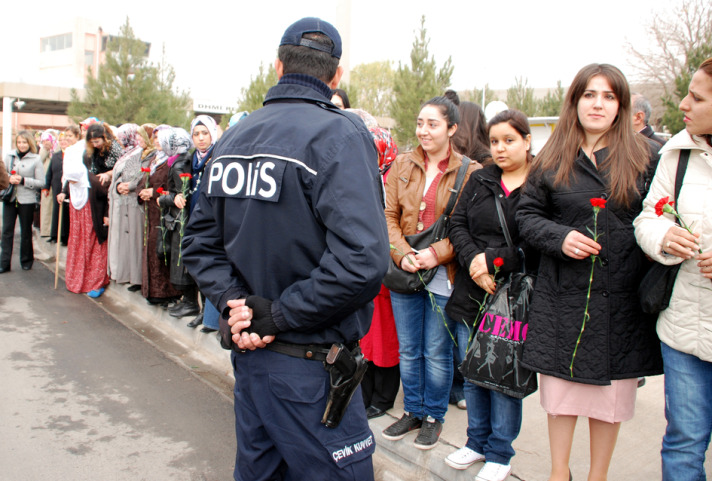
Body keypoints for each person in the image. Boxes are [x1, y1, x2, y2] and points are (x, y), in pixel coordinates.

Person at [182, 17, 389, 481]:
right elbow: (365, 261)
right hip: (309, 368)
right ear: (335, 76)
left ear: (277, 67)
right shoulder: (341, 136)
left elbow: (197, 243)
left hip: (258, 361)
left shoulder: (232, 138)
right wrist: (267, 314)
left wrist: (240, 307)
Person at [516, 63, 664, 481]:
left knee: (609, 400)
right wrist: (559, 237)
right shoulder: (552, 156)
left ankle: (598, 476)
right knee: (561, 396)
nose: (598, 104)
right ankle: (558, 473)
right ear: (575, 101)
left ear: (622, 105)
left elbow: (660, 217)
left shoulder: (645, 157)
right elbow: (526, 217)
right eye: (589, 95)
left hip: (620, 298)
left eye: (609, 96)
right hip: (564, 296)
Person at [382, 96, 480, 449]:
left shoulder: (471, 172)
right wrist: (404, 254)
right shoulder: (401, 164)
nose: (424, 131)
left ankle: (434, 416)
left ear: (452, 129)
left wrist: (435, 255)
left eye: (433, 124)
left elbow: (469, 228)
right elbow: (388, 216)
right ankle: (413, 411)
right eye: (420, 123)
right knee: (409, 349)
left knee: (436, 350)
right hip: (405, 270)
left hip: (443, 273)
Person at [444, 109, 536, 481]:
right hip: (474, 288)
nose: (500, 149)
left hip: (514, 295)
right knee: (474, 371)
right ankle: (476, 442)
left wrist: (494, 260)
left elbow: (538, 240)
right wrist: (474, 263)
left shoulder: (541, 184)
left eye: (509, 140)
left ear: (528, 141)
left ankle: (500, 451)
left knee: (504, 374)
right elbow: (457, 223)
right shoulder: (481, 179)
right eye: (495, 141)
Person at [633, 56, 712, 481]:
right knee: (683, 444)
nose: (683, 103)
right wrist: (662, 236)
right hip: (683, 328)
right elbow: (647, 216)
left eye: (696, 97)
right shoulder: (677, 152)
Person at [360, 126, 400, 420]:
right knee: (366, 336)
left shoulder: (394, 178)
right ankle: (364, 391)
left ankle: (383, 397)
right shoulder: (359, 175)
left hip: (387, 267)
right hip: (361, 266)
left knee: (385, 336)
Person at [157, 127, 199, 319]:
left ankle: (190, 303)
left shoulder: (180, 163)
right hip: (180, 218)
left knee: (181, 262)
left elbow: (182, 194)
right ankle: (187, 302)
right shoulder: (179, 160)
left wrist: (163, 199)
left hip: (181, 220)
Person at [138, 125, 182, 306]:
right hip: (151, 212)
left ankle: (165, 293)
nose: (156, 141)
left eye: (160, 138)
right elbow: (142, 181)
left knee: (162, 250)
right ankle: (151, 291)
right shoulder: (155, 160)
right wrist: (142, 191)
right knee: (150, 249)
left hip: (164, 213)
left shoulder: (172, 161)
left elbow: (173, 187)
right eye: (155, 138)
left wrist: (154, 193)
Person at [60, 140, 110, 297]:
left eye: (74, 180)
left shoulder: (93, 183)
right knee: (77, 248)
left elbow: (107, 198)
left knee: (92, 250)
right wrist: (63, 194)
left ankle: (95, 282)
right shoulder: (73, 183)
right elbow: (68, 186)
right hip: (77, 225)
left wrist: (106, 215)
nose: (73, 183)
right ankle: (77, 280)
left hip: (92, 224)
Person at [186, 115, 220, 332]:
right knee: (197, 264)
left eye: (205, 133)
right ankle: (201, 311)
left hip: (211, 220)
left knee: (210, 264)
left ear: (212, 134)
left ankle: (211, 316)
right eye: (196, 134)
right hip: (193, 215)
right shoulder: (192, 159)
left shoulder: (218, 156)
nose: (200, 138)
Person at [1, 131, 45, 273]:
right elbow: (3, 173)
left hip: (27, 199)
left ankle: (26, 260)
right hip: (10, 198)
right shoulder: (9, 156)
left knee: (26, 231)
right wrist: (9, 178)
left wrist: (24, 180)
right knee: (7, 231)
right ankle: (4, 262)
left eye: (24, 142)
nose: (21, 145)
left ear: (30, 143)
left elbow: (41, 182)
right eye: (19, 142)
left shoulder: (36, 159)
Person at [107, 123, 144, 288]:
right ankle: (120, 273)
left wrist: (125, 186)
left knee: (132, 242)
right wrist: (118, 185)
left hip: (132, 204)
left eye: (121, 137)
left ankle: (132, 276)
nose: (119, 140)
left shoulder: (137, 154)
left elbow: (136, 177)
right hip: (121, 202)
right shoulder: (125, 154)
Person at [47, 126, 80, 245]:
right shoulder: (67, 152)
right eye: (66, 137)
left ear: (77, 136)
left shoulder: (81, 150)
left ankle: (68, 238)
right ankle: (58, 235)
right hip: (63, 186)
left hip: (78, 189)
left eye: (70, 136)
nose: (67, 139)